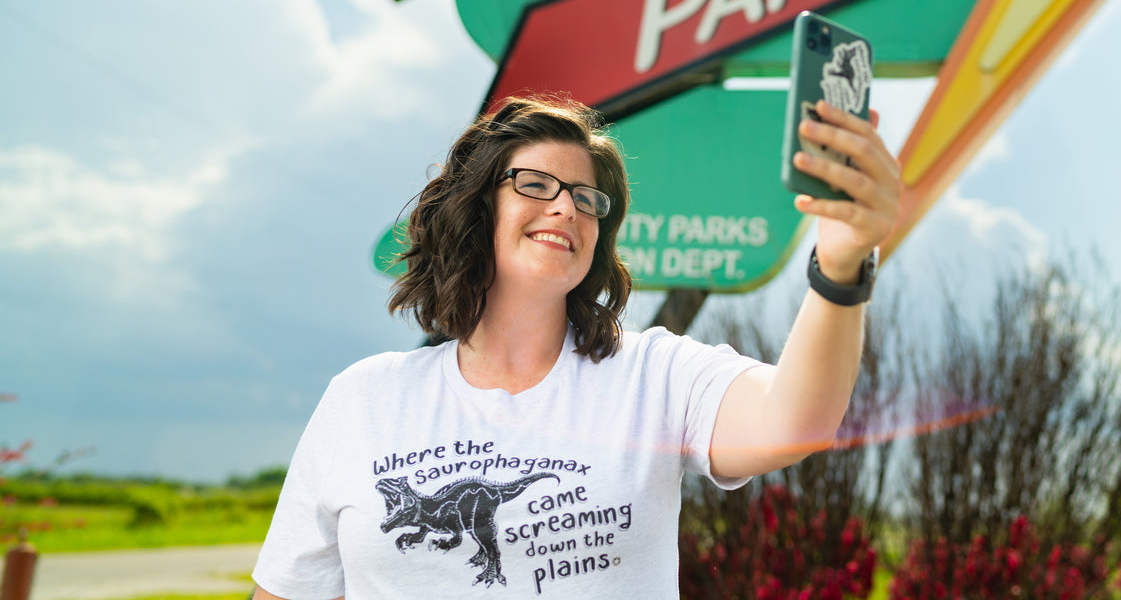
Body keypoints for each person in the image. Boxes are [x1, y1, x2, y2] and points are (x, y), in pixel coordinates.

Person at [252, 94, 901, 599]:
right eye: (536, 185)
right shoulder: (363, 400)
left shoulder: (654, 375)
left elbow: (796, 421)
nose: (567, 208)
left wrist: (840, 267)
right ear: (475, 209)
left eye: (587, 199)